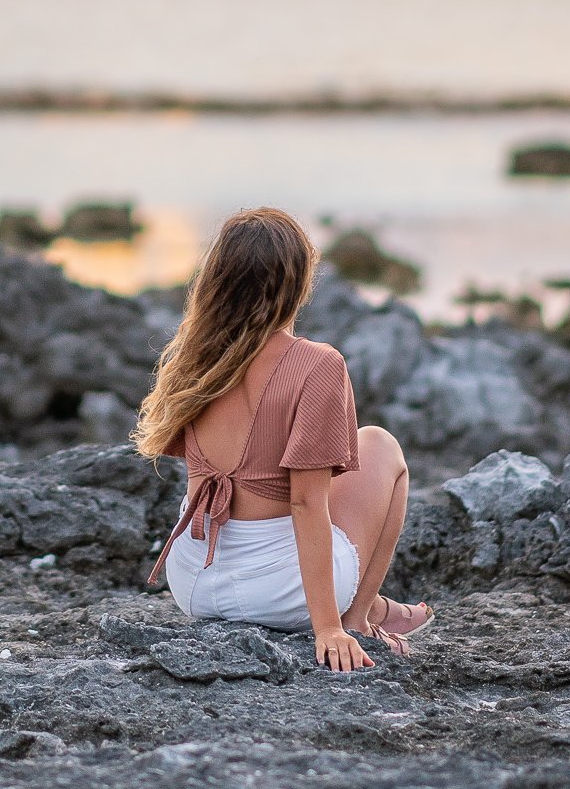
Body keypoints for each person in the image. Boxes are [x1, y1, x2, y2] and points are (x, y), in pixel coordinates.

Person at [135, 206, 433, 673]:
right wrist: (327, 628)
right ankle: (358, 620)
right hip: (274, 593)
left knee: (281, 483)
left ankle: (376, 610)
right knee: (379, 445)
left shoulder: (193, 356)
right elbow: (307, 505)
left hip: (192, 581)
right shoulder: (316, 364)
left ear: (216, 279)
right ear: (299, 283)